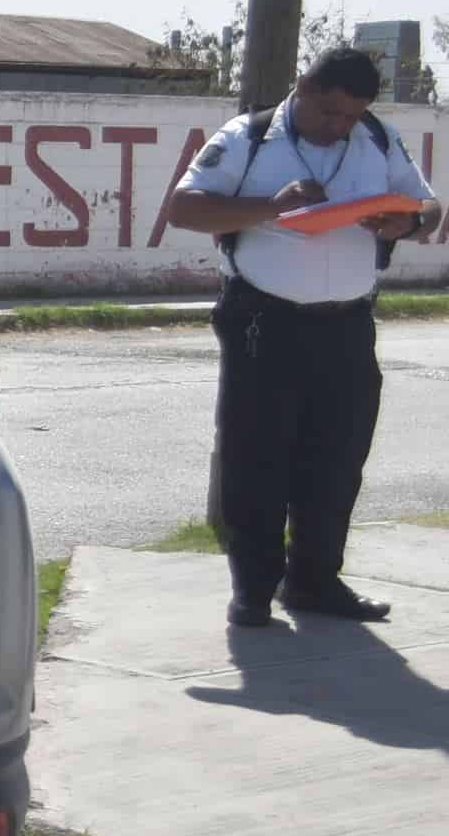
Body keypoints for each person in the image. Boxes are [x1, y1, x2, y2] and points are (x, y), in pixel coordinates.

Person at [167, 46, 442, 628]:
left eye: (352, 115)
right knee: (257, 460)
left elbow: (429, 205)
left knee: (337, 459)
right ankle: (253, 591)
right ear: (303, 88)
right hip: (263, 322)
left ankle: (315, 583)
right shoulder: (249, 136)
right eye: (329, 113)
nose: (339, 127)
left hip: (346, 324)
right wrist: (270, 207)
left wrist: (409, 222)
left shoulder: (377, 137)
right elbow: (184, 209)